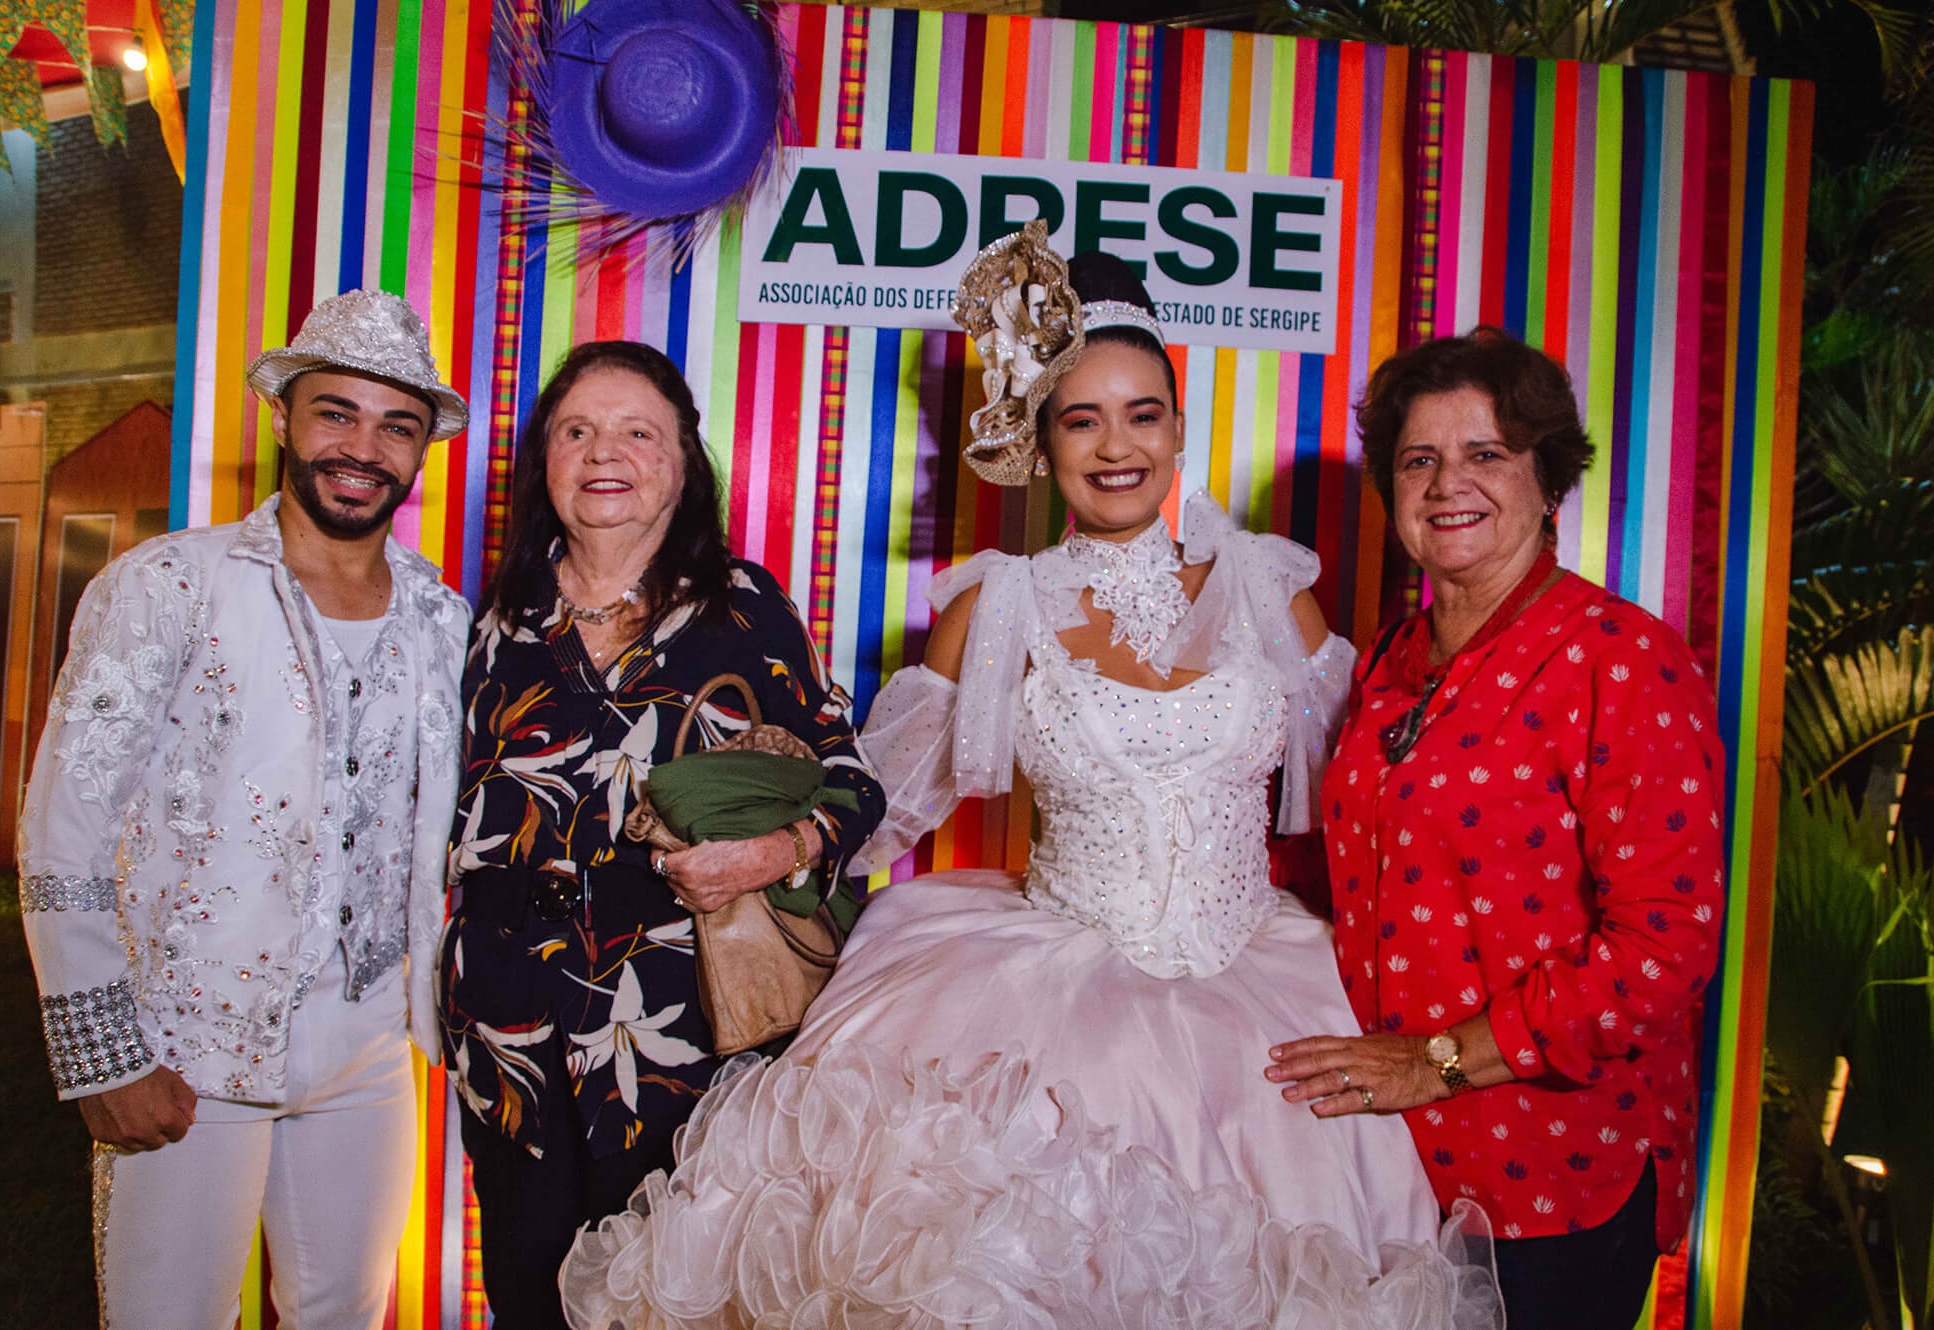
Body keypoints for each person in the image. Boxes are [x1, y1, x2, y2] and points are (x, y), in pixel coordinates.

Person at [559, 224, 1502, 1330]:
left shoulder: (1267, 587)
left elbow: (1372, 795)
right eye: (1080, 417)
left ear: (1178, 427)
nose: (1116, 445)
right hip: (1045, 1007)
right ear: (1042, 441)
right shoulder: (996, 606)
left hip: (1261, 1000)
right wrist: (765, 836)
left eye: (1142, 414)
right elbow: (881, 803)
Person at [16, 289, 472, 1329]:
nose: (363, 448)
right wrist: (103, 1054)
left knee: (346, 1311)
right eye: (336, 413)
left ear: (422, 450)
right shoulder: (168, 586)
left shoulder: (442, 618)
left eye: (396, 426)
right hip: (186, 1041)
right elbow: (63, 829)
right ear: (282, 416)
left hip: (368, 1048)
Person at [1266, 326, 1727, 1330]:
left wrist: (1432, 1060)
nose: (1447, 484)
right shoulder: (1388, 663)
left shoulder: (1619, 658)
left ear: (1546, 477)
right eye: (1418, 460)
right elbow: (1338, 871)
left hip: (1552, 1170)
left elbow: (1662, 949)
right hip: (1387, 1165)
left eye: (1485, 452)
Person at [439, 340, 885, 1328]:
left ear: (683, 464)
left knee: (664, 1304)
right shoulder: (488, 623)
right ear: (545, 463)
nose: (605, 453)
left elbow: (852, 781)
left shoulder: (744, 608)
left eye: (637, 432)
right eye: (577, 432)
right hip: (509, 1034)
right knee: (525, 1297)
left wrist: (774, 851)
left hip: (682, 1036)